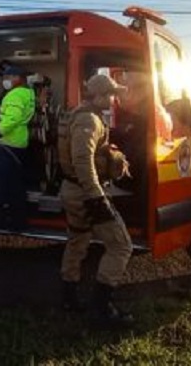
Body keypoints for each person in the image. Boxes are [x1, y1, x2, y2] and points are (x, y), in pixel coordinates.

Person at [57, 74, 134, 330]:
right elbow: (82, 160)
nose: (114, 99)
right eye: (111, 94)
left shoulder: (82, 114)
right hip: (85, 194)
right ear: (99, 95)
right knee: (121, 246)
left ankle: (69, 298)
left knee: (78, 240)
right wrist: (97, 197)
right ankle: (102, 309)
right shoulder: (89, 120)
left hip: (73, 191)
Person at [0, 65, 36, 231]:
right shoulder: (28, 93)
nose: (4, 81)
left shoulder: (15, 94)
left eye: (6, 77)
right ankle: (18, 222)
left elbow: (11, 119)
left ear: (16, 78)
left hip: (8, 144)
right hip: (19, 143)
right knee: (15, 185)